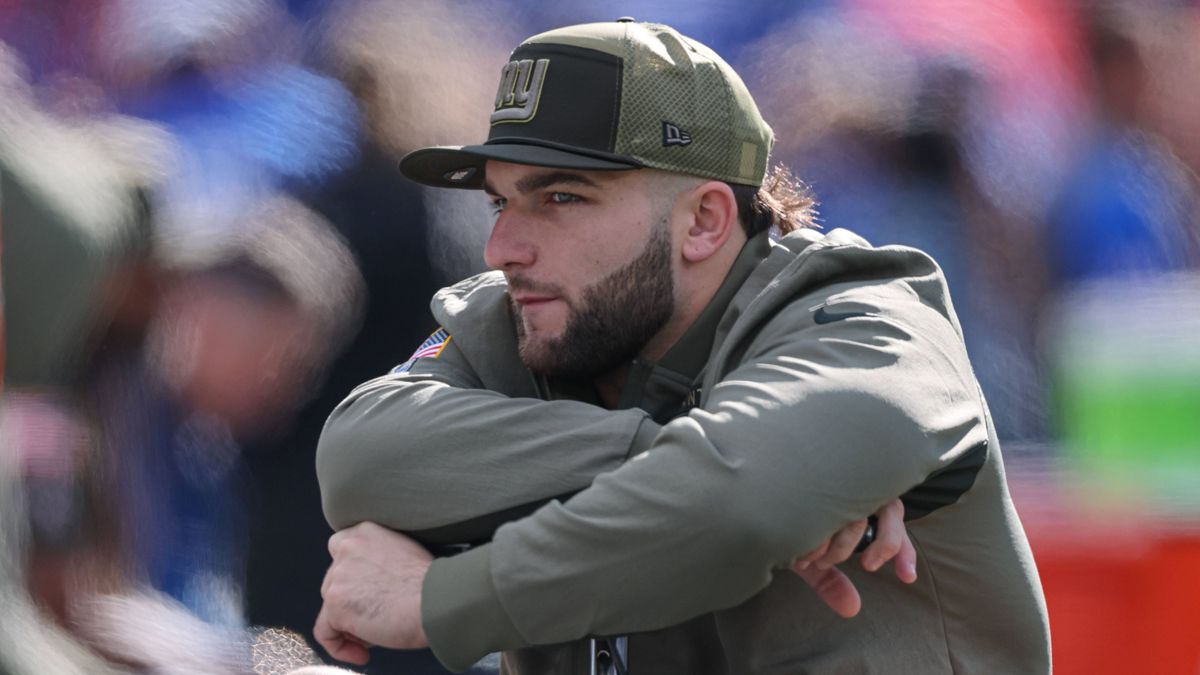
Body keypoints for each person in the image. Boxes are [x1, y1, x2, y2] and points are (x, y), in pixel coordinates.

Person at [314, 19, 1051, 674]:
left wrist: (440, 601)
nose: (503, 246)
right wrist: (696, 455)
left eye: (561, 197)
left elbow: (741, 503)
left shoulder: (868, 317)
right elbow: (363, 454)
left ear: (704, 220)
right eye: (502, 200)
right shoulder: (535, 317)